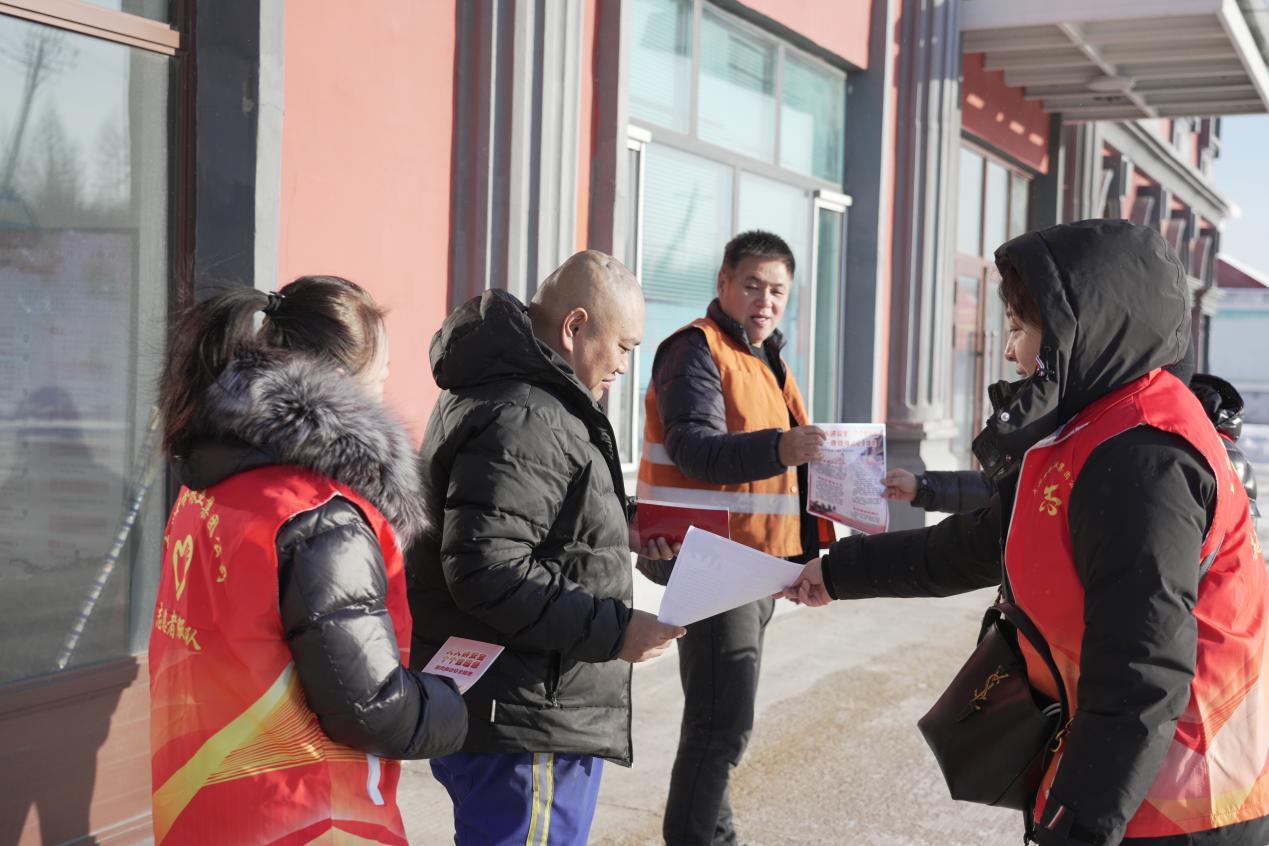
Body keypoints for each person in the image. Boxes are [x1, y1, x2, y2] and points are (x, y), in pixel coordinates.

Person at [788, 220, 1269, 845]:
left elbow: (1142, 670)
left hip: (1181, 801)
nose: (1011, 352)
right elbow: (983, 542)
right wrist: (836, 571)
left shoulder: (1144, 459)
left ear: (1081, 329)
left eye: (1019, 328)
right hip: (1125, 778)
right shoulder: (1092, 427)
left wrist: (1075, 825)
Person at [149, 276, 468, 845]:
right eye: (382, 374)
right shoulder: (322, 516)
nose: (386, 391)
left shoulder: (209, 484)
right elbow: (369, 707)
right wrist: (451, 705)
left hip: (204, 802)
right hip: (303, 815)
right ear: (340, 380)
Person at [409, 251, 685, 846]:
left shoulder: (514, 394)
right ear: (575, 326)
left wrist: (624, 526)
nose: (624, 367)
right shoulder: (527, 412)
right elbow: (487, 568)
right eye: (623, 347)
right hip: (527, 718)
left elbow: (529, 518)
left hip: (514, 709)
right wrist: (617, 631)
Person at [636, 230, 834, 846]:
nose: (765, 300)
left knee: (718, 726)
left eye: (777, 291)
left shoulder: (766, 359)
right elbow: (694, 448)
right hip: (717, 563)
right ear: (723, 282)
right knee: (719, 729)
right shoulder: (695, 350)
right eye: (752, 285)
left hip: (755, 566)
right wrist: (781, 447)